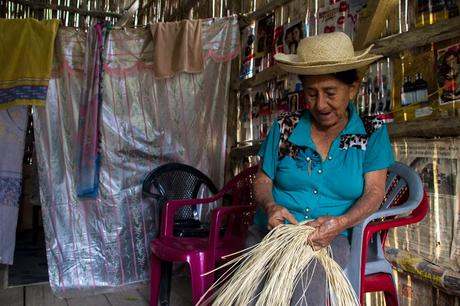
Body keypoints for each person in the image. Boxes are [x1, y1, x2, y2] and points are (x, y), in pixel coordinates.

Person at [249, 32, 394, 305]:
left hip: (329, 238)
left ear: (352, 89)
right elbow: (262, 181)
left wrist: (340, 223)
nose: (320, 105)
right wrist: (270, 206)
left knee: (306, 282)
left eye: (330, 93)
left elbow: (374, 193)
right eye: (312, 94)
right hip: (274, 233)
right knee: (254, 287)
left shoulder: (371, 132)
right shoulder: (285, 128)